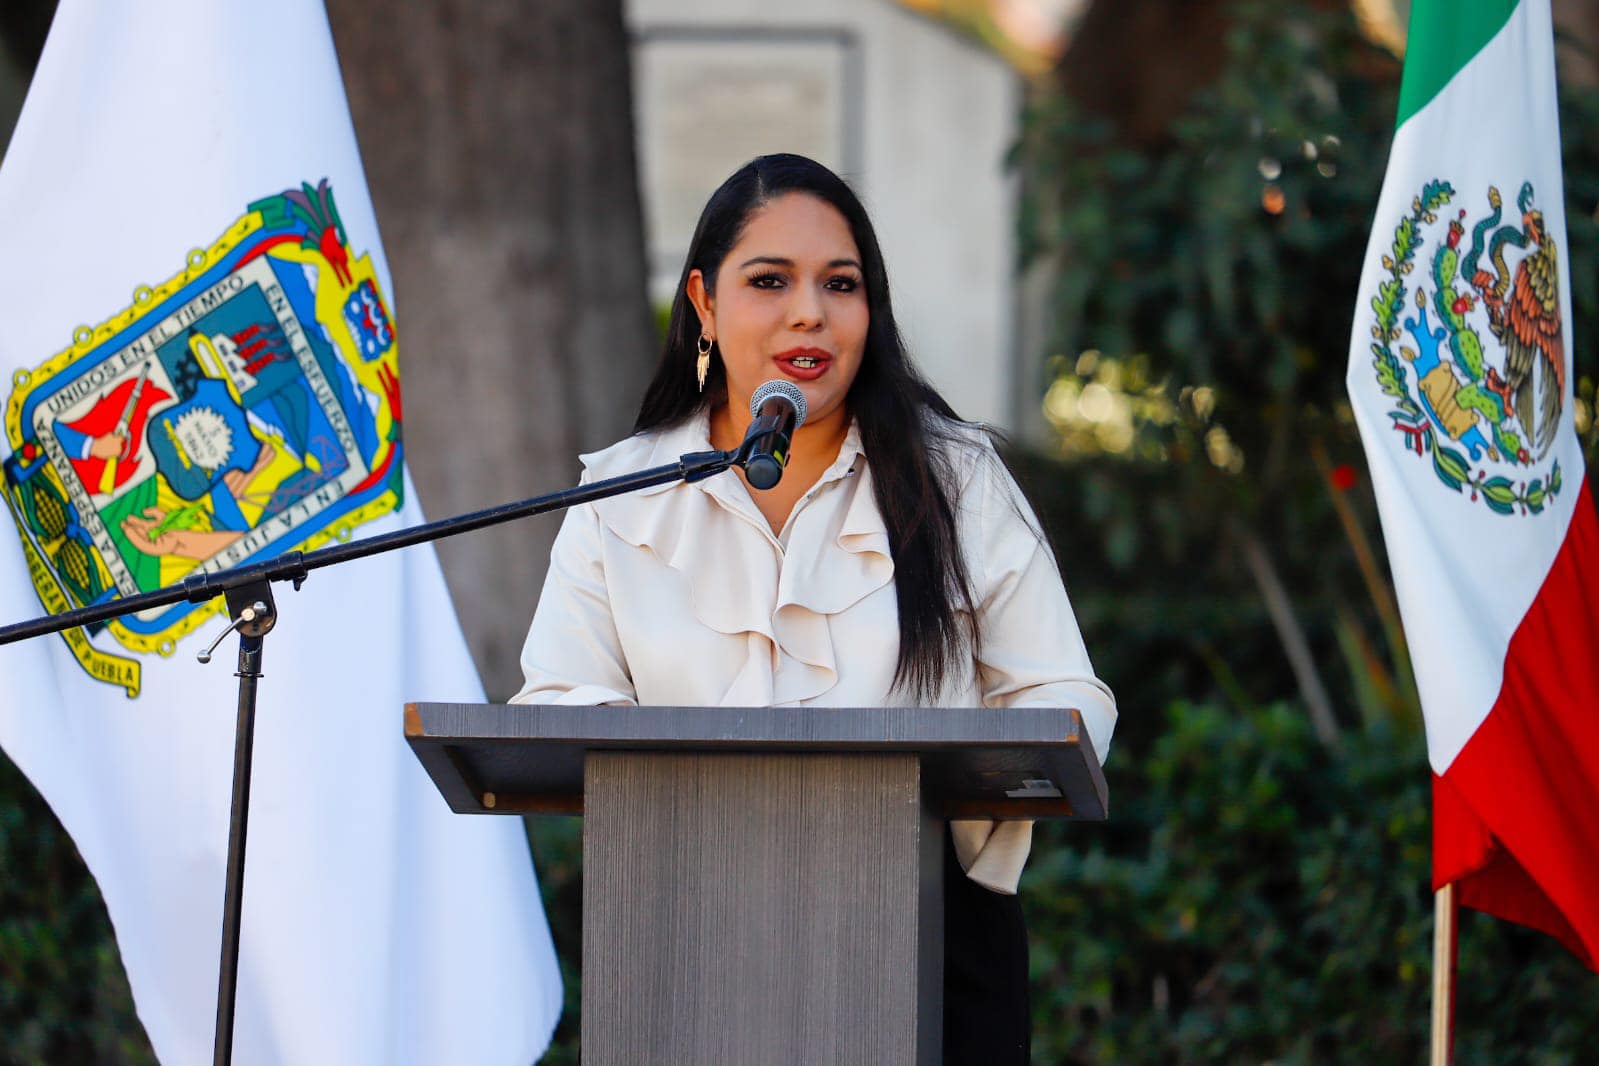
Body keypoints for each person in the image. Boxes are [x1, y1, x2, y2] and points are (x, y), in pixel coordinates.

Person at [513, 153, 1116, 1063]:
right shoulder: (620, 494)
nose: (810, 313)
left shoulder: (958, 481)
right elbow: (556, 698)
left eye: (841, 284)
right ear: (703, 302)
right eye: (769, 281)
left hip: (929, 941)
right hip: (683, 936)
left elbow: (1067, 696)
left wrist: (965, 781)